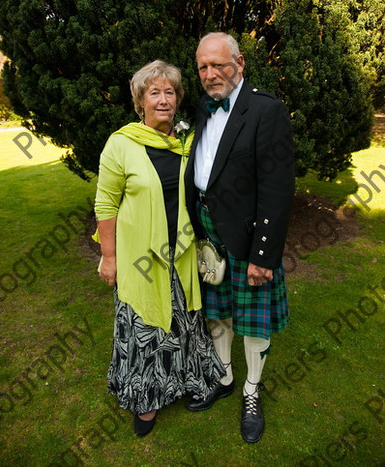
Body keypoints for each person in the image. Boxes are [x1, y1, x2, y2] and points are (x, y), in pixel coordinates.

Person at [94, 59, 224, 437]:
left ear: (177, 99)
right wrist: (110, 256)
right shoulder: (121, 144)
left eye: (170, 92)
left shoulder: (184, 143)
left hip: (180, 254)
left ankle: (183, 382)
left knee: (181, 325)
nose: (164, 99)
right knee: (145, 329)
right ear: (141, 101)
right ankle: (145, 401)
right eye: (155, 92)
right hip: (140, 259)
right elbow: (105, 204)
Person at [185, 32, 295, 443]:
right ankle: (225, 377)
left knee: (253, 320)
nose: (210, 74)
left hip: (249, 238)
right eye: (203, 67)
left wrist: (263, 257)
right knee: (218, 313)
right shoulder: (201, 109)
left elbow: (278, 188)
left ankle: (252, 389)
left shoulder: (267, 110)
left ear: (239, 62)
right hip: (209, 233)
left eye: (218, 64)